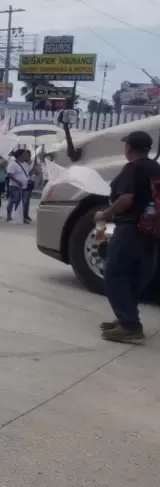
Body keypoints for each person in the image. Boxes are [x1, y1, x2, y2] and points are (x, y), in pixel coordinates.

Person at [96, 131, 160, 344]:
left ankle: (130, 326)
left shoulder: (132, 169)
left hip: (130, 228)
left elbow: (126, 198)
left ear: (129, 148)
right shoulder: (155, 168)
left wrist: (104, 215)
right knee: (133, 277)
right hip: (151, 230)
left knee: (116, 275)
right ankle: (126, 318)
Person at [6, 149, 33, 223]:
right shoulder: (13, 164)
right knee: (13, 200)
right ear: (20, 155)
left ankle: (20, 216)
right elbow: (9, 174)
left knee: (22, 202)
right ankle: (9, 216)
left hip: (24, 186)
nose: (26, 155)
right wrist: (17, 181)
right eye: (25, 154)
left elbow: (27, 173)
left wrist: (29, 179)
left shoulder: (25, 163)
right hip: (15, 186)